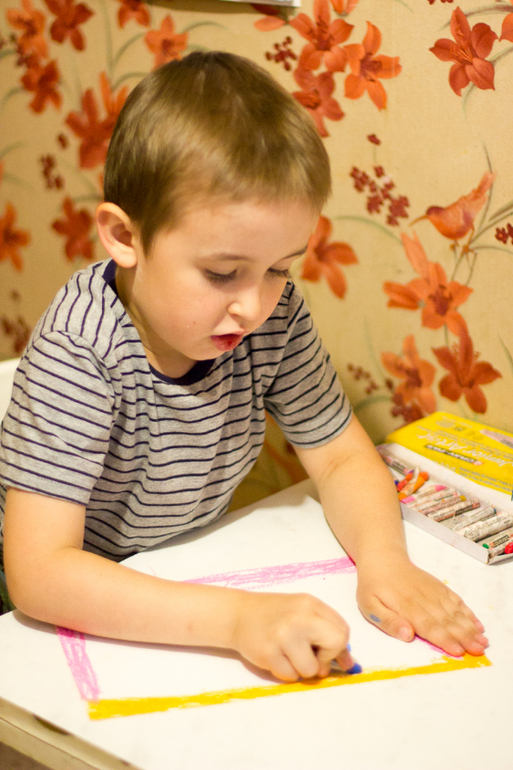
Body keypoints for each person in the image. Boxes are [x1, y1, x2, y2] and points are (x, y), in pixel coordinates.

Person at [0, 52, 488, 682]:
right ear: (125, 238)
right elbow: (40, 574)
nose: (254, 306)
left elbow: (340, 457)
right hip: (64, 609)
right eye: (223, 273)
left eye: (280, 268)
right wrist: (237, 621)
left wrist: (385, 562)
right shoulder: (80, 351)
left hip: (177, 568)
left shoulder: (271, 315)